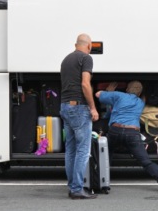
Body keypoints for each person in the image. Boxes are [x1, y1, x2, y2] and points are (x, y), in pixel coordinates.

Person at [95, 81, 158, 191]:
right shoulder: (141, 102)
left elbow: (98, 94)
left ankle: (100, 182)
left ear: (127, 89)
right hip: (132, 133)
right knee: (146, 161)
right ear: (139, 93)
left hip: (115, 130)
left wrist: (109, 92)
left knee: (106, 156)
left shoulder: (119, 95)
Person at [60, 33, 99, 200]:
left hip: (65, 106)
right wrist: (93, 108)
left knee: (71, 150)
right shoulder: (86, 58)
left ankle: (72, 186)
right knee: (83, 150)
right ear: (89, 46)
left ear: (76, 44)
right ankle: (77, 189)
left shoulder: (66, 60)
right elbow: (85, 83)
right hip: (79, 108)